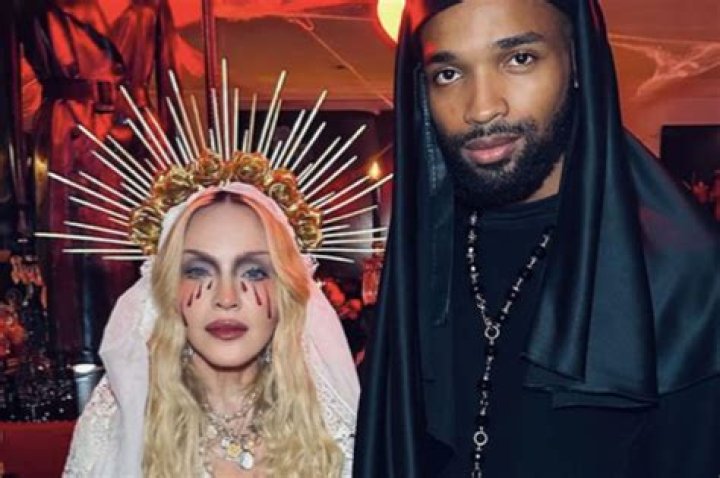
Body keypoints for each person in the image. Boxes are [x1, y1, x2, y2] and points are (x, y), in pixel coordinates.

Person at [355, 1, 720, 477]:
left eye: (519, 58)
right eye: (448, 73)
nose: (481, 107)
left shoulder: (682, 275)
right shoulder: (423, 255)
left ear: (577, 62)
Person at [63, 183, 359, 477]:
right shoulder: (118, 431)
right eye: (197, 271)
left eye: (254, 272)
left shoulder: (333, 432)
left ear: (285, 291)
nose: (226, 298)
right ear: (169, 291)